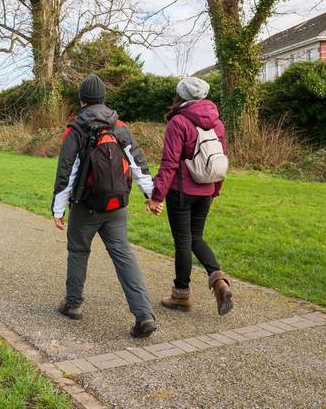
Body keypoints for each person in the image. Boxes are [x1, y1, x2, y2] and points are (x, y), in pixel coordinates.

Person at [52, 74, 158, 338]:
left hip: (85, 206)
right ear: (103, 98)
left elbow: (67, 171)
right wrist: (152, 195)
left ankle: (73, 304)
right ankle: (144, 315)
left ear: (82, 99)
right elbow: (138, 164)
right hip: (116, 206)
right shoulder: (119, 126)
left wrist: (58, 209)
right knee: (123, 255)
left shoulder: (75, 129)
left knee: (78, 251)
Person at [147, 77, 233, 316]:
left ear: (181, 95)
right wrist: (215, 190)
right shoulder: (217, 123)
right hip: (206, 190)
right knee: (196, 238)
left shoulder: (179, 122)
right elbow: (221, 160)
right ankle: (218, 280)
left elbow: (169, 163)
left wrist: (157, 196)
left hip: (182, 192)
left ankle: (181, 295)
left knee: (183, 242)